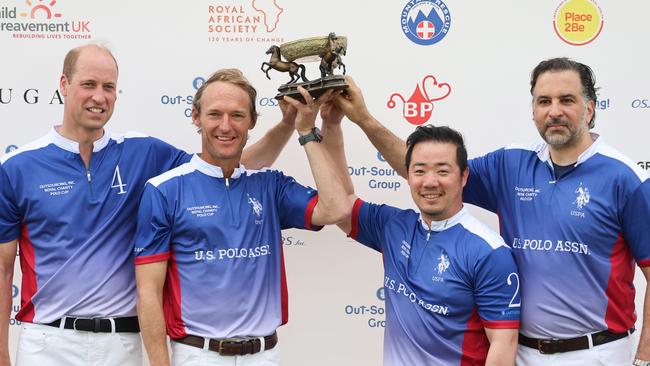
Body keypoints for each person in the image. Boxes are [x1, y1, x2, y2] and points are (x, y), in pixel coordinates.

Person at [333, 58, 650, 365]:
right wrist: (364, 119)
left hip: (597, 352)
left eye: (566, 100)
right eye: (543, 101)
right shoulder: (511, 164)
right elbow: (429, 171)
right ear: (533, 111)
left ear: (590, 108)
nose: (554, 111)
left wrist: (645, 357)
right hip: (522, 353)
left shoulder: (625, 178)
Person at [0, 43, 298, 366]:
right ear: (64, 85)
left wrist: (287, 125)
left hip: (121, 343)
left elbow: (227, 163)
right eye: (89, 84)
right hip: (47, 343)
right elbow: (3, 269)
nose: (99, 97)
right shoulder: (17, 168)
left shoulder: (142, 153)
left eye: (108, 87)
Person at [133, 69, 352, 366]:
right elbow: (148, 292)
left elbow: (337, 209)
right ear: (196, 117)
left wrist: (305, 130)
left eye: (237, 115)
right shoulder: (163, 190)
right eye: (214, 114)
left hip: (264, 355)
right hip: (197, 355)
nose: (225, 126)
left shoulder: (270, 185)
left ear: (252, 122)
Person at [324, 91, 520, 364]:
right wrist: (331, 126)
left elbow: (504, 345)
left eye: (442, 171)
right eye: (419, 171)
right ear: (408, 175)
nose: (430, 182)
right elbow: (340, 204)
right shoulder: (393, 227)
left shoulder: (489, 251)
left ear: (463, 176)